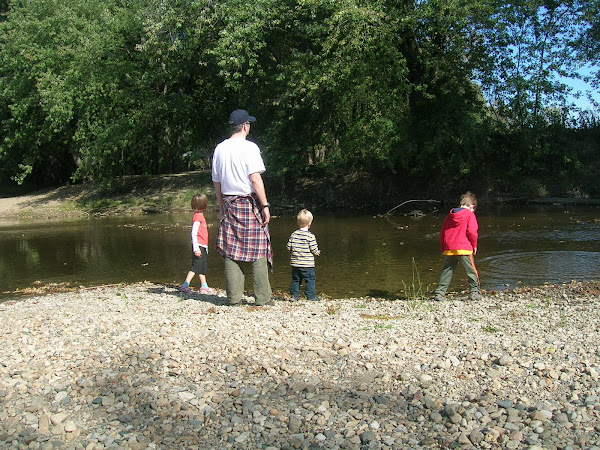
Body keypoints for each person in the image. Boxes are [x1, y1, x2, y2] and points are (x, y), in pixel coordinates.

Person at [212, 109, 273, 306]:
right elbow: (255, 178)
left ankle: (234, 299)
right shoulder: (250, 148)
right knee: (259, 249)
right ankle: (262, 298)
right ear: (245, 126)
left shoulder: (219, 148)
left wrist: (221, 204)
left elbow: (217, 182)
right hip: (247, 202)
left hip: (229, 203)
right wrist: (264, 205)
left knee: (232, 251)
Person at [432, 191, 481, 301]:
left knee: (446, 270)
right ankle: (475, 292)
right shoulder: (470, 215)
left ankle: (439, 293)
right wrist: (474, 245)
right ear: (472, 206)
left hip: (450, 248)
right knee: (471, 271)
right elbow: (472, 232)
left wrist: (443, 248)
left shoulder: (449, 216)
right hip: (464, 247)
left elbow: (443, 233)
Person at [179, 194, 214, 294]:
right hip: (198, 246)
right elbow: (194, 233)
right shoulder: (198, 216)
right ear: (204, 205)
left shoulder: (199, 215)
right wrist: (196, 248)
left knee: (202, 267)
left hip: (202, 245)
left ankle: (204, 286)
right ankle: (185, 285)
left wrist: (205, 247)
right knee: (195, 267)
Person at [287, 209, 321, 301]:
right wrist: (316, 252)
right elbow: (313, 248)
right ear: (310, 223)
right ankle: (311, 296)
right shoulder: (310, 236)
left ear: (298, 223)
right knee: (310, 280)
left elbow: (288, 246)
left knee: (296, 280)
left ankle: (294, 296)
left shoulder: (294, 234)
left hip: (295, 264)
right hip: (307, 264)